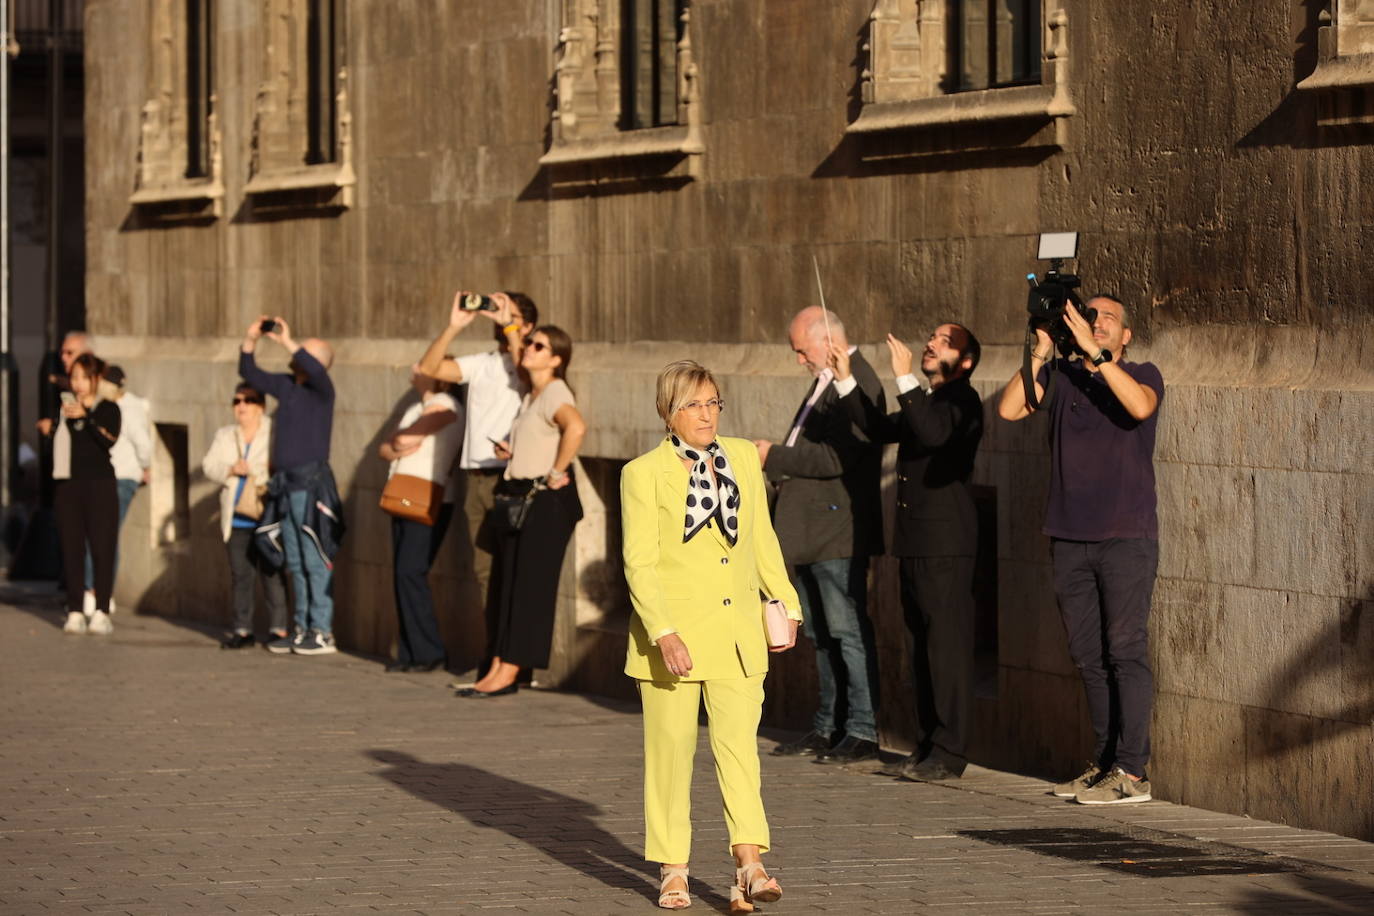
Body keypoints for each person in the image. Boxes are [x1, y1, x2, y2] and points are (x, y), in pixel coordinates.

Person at [621, 360, 802, 912]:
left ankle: (750, 865)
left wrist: (786, 603)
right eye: (693, 405)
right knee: (671, 757)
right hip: (672, 640)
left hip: (738, 634)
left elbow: (761, 538)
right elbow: (639, 564)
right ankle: (672, 868)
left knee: (739, 752)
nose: (706, 414)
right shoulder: (642, 473)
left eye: (713, 402)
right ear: (668, 412)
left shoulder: (743, 457)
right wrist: (664, 631)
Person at [996, 294, 1164, 805]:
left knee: (1125, 651)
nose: (1097, 323)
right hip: (1069, 537)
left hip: (1126, 536)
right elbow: (1009, 410)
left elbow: (1139, 407)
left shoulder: (1142, 373)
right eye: (1090, 317)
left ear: (1126, 334)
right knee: (1088, 656)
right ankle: (1105, 761)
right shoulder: (1064, 376)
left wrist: (1096, 353)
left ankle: (1133, 772)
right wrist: (1042, 353)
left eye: (1108, 318)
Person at [833, 324, 984, 781]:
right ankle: (927, 743)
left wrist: (904, 380)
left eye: (945, 341)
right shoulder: (927, 402)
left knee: (946, 649)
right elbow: (880, 428)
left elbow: (936, 436)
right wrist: (845, 378)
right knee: (920, 646)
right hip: (916, 543)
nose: (932, 344)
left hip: (947, 545)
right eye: (932, 337)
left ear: (966, 362)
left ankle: (951, 750)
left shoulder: (962, 402)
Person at [756, 306, 886, 765]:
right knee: (820, 632)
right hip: (809, 528)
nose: (798, 360)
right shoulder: (825, 378)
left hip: (837, 528)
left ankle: (863, 728)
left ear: (827, 341)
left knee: (846, 629)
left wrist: (775, 456)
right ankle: (828, 724)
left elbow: (840, 458)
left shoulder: (859, 379)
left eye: (800, 350)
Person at [458, 326, 585, 698]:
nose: (528, 349)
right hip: (521, 495)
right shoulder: (534, 394)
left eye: (538, 345)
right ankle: (501, 662)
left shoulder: (556, 391)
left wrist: (558, 471)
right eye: (528, 343)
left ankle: (511, 670)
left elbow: (575, 427)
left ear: (556, 358)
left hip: (545, 500)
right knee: (509, 581)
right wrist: (512, 450)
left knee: (530, 588)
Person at [416, 289, 537, 670]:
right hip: (476, 476)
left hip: (512, 477)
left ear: (528, 324)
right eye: (499, 311)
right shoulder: (484, 362)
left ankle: (518, 660)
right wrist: (454, 327)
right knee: (485, 571)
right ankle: (495, 657)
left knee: (516, 570)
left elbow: (525, 373)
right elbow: (431, 368)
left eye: (513, 314)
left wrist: (512, 326)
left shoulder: (534, 362)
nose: (500, 318)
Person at [239, 315, 344, 657]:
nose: (297, 358)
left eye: (307, 354)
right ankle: (301, 627)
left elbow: (312, 368)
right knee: (294, 561)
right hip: (285, 486)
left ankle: (322, 630)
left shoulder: (322, 392)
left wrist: (287, 340)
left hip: (310, 484)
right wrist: (252, 339)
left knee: (315, 559)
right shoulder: (288, 387)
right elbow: (250, 373)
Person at [378, 363, 463, 673]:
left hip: (429, 497)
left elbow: (398, 442)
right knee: (403, 574)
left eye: (422, 366)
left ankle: (429, 652)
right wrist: (401, 442)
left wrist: (402, 442)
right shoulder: (417, 407)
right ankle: (411, 653)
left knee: (410, 573)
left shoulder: (447, 405)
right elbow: (385, 449)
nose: (415, 367)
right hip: (404, 495)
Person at [202, 383, 289, 649]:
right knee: (241, 575)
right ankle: (242, 629)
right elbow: (208, 466)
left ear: (260, 406)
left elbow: (282, 466)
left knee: (272, 572)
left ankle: (279, 628)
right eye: (237, 400)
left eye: (248, 400)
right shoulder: (226, 435)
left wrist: (257, 471)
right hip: (236, 516)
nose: (241, 406)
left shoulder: (273, 432)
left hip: (266, 514)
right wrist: (231, 469)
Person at [50, 354, 121, 635]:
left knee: (102, 547)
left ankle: (102, 609)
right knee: (71, 548)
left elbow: (108, 441)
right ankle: (75, 609)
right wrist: (52, 427)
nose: (77, 384)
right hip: (68, 485)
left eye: (83, 378)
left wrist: (87, 417)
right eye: (74, 377)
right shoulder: (63, 408)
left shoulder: (108, 409)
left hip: (100, 485)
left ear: (95, 379)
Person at [79, 366, 152, 616]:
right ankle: (94, 590)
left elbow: (143, 444)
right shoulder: (104, 405)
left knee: (106, 535)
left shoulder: (129, 409)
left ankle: (98, 592)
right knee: (97, 534)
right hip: (102, 478)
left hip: (121, 478)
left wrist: (145, 467)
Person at [36, 330, 94, 439]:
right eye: (62, 352)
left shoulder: (101, 398)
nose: (63, 357)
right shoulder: (68, 388)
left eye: (70, 353)